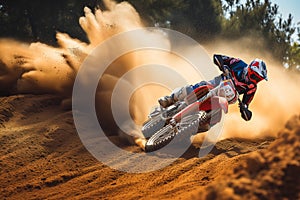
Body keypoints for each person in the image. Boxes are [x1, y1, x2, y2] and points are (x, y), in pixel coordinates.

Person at [158, 54, 268, 121]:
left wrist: (245, 110)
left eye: (258, 79)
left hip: (222, 100)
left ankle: (188, 131)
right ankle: (170, 99)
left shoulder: (252, 88)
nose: (255, 80)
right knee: (193, 88)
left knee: (212, 121)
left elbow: (246, 104)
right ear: (249, 69)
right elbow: (218, 56)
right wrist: (222, 65)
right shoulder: (239, 63)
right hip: (213, 86)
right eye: (255, 76)